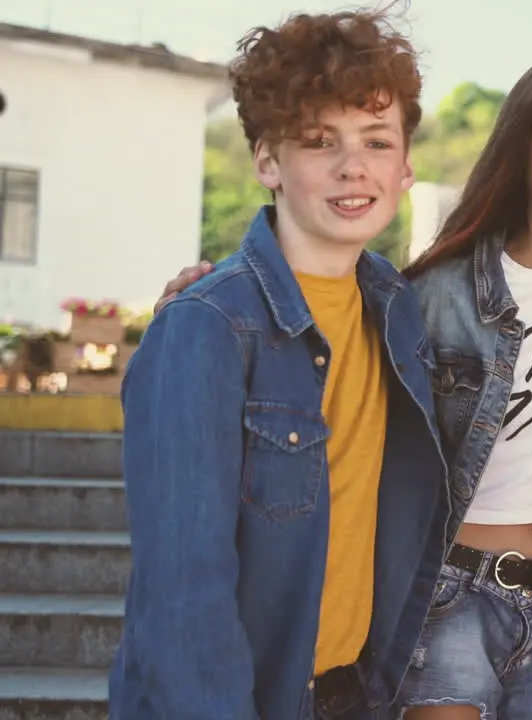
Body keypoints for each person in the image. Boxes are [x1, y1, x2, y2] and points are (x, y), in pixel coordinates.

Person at [154, 55, 532, 720]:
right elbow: (316, 322)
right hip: (452, 593)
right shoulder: (432, 292)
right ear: (520, 148)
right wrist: (207, 304)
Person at [109, 8, 450, 719]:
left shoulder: (397, 308)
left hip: (355, 693)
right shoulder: (205, 327)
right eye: (320, 142)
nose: (354, 167)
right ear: (268, 160)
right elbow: (182, 600)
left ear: (406, 165)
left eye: (377, 141)